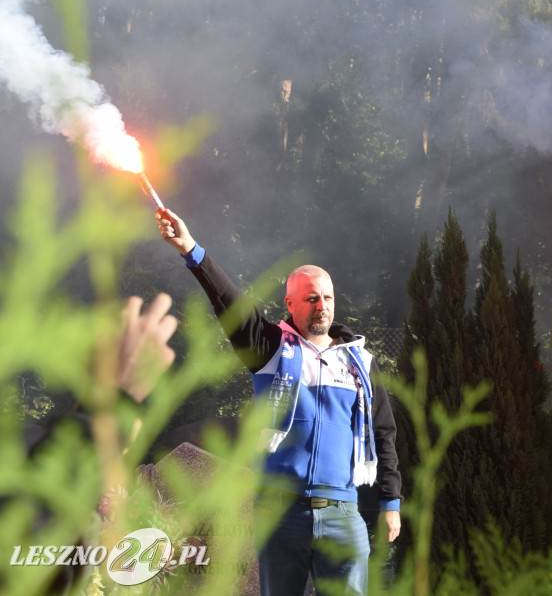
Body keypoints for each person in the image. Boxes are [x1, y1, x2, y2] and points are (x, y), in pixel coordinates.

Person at [156, 208, 401, 596]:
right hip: (279, 511)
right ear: (290, 304)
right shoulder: (270, 349)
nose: (321, 305)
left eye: (327, 297)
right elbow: (230, 304)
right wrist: (191, 249)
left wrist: (390, 501)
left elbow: (382, 435)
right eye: (311, 299)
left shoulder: (361, 365)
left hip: (343, 513)